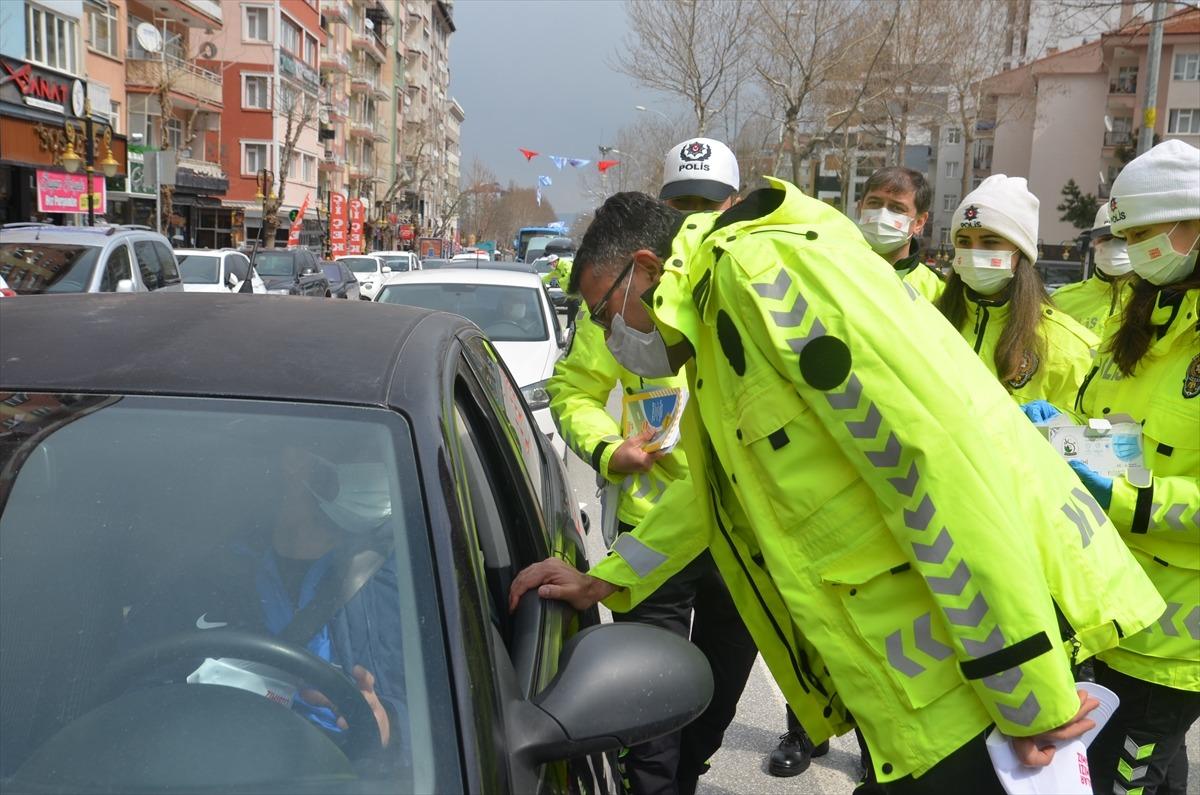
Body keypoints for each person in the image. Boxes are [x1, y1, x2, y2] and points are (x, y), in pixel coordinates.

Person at [510, 182, 1166, 793]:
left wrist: (1030, 691)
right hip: (925, 690)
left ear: (649, 268)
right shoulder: (717, 319)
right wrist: (604, 580)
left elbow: (932, 465)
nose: (605, 333)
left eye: (603, 310)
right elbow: (708, 493)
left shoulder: (763, 279)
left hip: (984, 681)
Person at [546, 138, 760, 795]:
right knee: (652, 733)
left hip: (739, 538)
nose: (693, 221)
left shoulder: (748, 309)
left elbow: (716, 482)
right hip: (650, 530)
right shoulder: (623, 299)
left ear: (732, 206)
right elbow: (573, 391)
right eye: (681, 207)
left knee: (714, 710)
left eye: (708, 205)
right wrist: (612, 451)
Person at [1059, 140, 1198, 795]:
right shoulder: (1140, 322)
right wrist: (1063, 438)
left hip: (1176, 642)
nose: (1133, 249)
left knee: (1125, 781)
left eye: (1145, 234)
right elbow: (1127, 442)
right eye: (1126, 235)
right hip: (1107, 610)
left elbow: (1136, 483)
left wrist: (1122, 498)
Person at [937, 175, 1097, 408]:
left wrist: (1057, 425)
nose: (974, 253)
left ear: (1021, 252)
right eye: (964, 241)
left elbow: (1081, 428)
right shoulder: (928, 319)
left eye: (990, 242)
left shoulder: (1069, 345)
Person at [856, 166, 944, 302]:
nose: (882, 215)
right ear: (860, 209)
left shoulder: (938, 291)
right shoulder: (832, 266)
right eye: (874, 203)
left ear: (919, 222)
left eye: (897, 208)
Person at [1051, 203, 1135, 334]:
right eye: (1106, 238)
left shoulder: (1154, 301)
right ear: (1094, 241)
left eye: (1122, 238)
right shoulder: (1060, 301)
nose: (1112, 246)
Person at [543, 237, 579, 325]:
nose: (551, 266)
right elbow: (548, 277)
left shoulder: (565, 264)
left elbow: (570, 274)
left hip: (576, 295)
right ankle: (569, 327)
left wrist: (559, 281)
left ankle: (573, 327)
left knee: (576, 314)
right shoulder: (557, 269)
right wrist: (539, 281)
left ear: (555, 261)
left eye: (551, 264)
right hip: (569, 295)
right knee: (570, 314)